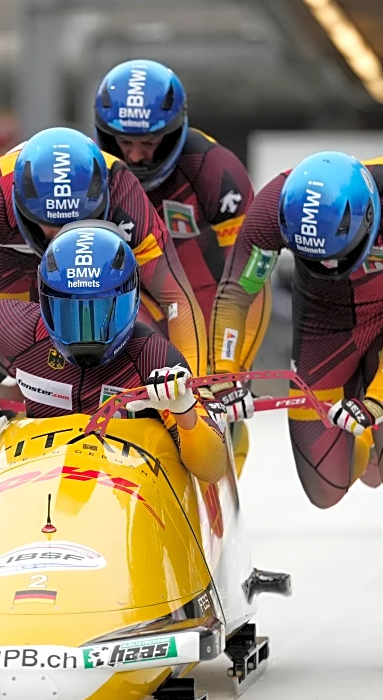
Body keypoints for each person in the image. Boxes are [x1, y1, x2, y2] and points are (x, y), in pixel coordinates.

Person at [210, 152, 383, 669]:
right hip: (324, 331)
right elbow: (236, 293)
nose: (330, 265)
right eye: (317, 259)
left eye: (341, 253)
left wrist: (377, 399)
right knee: (324, 491)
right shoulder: (274, 209)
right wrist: (225, 374)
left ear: (367, 222)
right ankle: (363, 447)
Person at [0, 126, 206, 400]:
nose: (63, 237)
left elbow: (175, 297)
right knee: (26, 365)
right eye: (52, 225)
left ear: (104, 201)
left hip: (94, 266)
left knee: (137, 342)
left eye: (79, 221)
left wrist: (193, 385)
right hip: (7, 260)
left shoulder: (123, 192)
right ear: (21, 207)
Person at [0, 221, 226, 485]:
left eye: (103, 313)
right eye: (70, 314)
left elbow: (211, 470)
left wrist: (184, 412)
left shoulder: (152, 357)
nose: (87, 335)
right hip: (41, 483)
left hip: (127, 492)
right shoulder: (21, 329)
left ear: (132, 300)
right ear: (46, 303)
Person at [94, 59, 270, 475]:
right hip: (137, 302)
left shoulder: (215, 170)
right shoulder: (91, 170)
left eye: (150, 142)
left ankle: (224, 464)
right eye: (123, 142)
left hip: (206, 306)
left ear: (174, 133)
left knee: (207, 399)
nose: (135, 155)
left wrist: (234, 365)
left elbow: (250, 275)